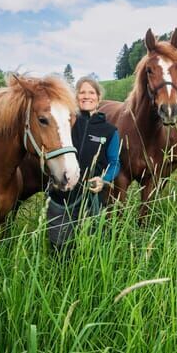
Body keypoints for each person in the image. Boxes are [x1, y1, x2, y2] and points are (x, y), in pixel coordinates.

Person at [47, 76, 121, 252]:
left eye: (91, 92)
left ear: (99, 97)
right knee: (59, 246)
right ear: (76, 97)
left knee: (89, 246)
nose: (86, 96)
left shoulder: (110, 131)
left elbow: (115, 162)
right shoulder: (67, 122)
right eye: (82, 92)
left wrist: (104, 180)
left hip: (91, 197)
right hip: (61, 194)